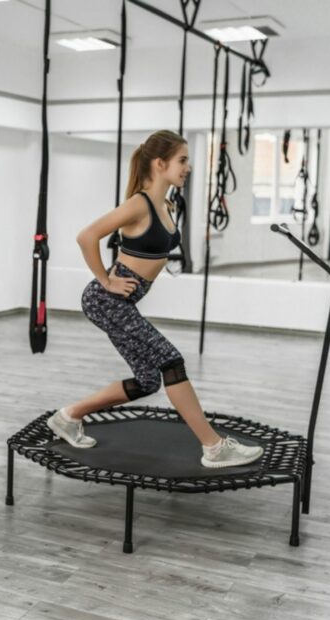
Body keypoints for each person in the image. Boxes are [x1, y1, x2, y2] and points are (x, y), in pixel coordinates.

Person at [48, 130, 263, 469]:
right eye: (182, 160)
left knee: (148, 380)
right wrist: (106, 279)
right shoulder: (139, 203)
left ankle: (68, 416)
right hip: (106, 301)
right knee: (171, 361)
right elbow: (86, 236)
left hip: (121, 304)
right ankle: (214, 447)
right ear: (160, 163)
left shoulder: (164, 203)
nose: (188, 167)